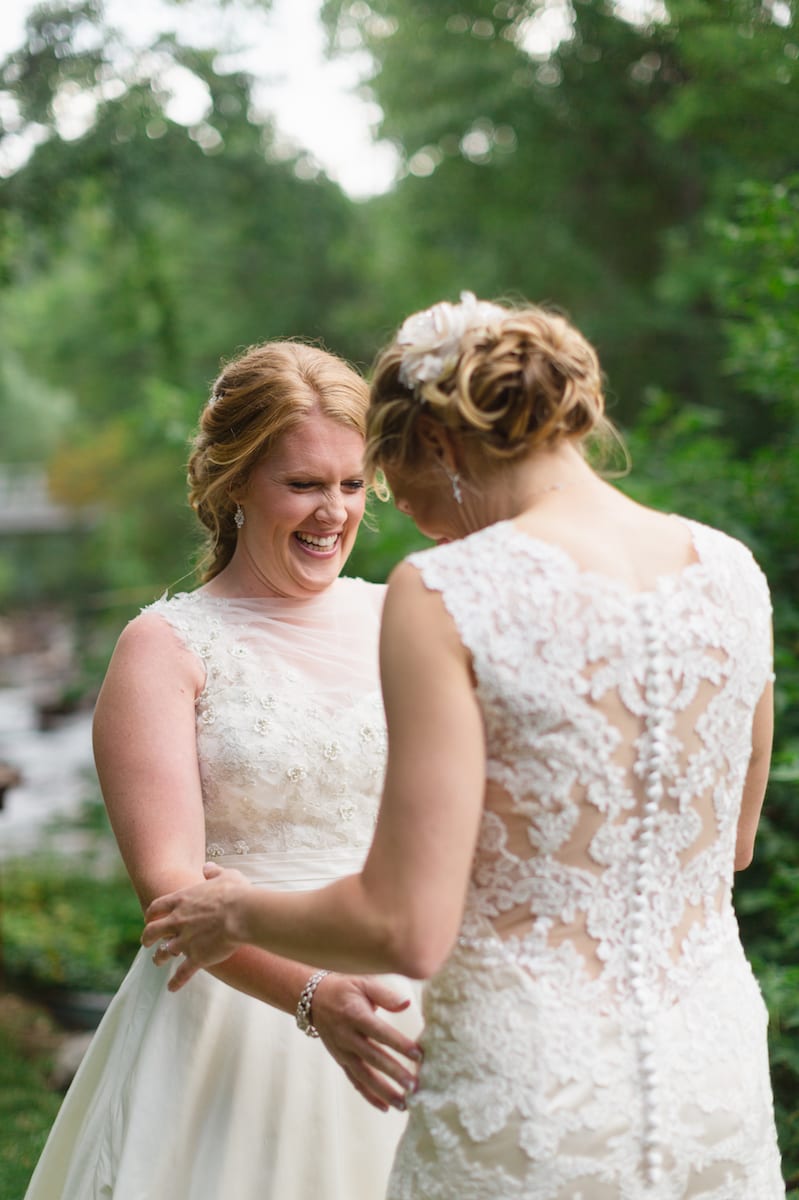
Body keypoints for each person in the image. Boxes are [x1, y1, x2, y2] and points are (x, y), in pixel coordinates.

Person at [143, 294, 784, 1199]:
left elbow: (408, 923)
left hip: (527, 1084)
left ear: (439, 449)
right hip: (709, 1069)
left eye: (396, 492)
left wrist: (235, 914)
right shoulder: (727, 569)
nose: (421, 528)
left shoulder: (446, 591)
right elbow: (733, 843)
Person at [24, 340, 422, 1200]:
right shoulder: (165, 648)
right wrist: (316, 997)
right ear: (234, 482)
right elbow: (171, 897)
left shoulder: (408, 618)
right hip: (235, 1022)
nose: (333, 513)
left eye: (352, 484)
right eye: (303, 484)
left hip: (411, 1010)